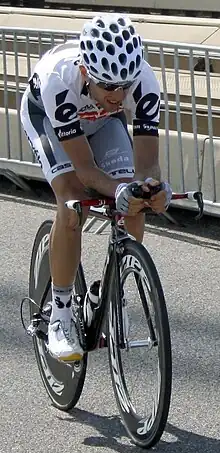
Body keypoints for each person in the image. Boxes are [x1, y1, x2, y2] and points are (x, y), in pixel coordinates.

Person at [20, 14, 172, 363]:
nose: (119, 95)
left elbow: (147, 163)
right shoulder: (61, 79)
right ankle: (59, 312)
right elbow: (85, 170)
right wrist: (116, 190)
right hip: (49, 119)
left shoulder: (144, 83)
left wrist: (152, 188)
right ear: (87, 73)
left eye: (125, 85)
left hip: (101, 123)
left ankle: (112, 292)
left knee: (135, 196)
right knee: (74, 204)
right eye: (109, 86)